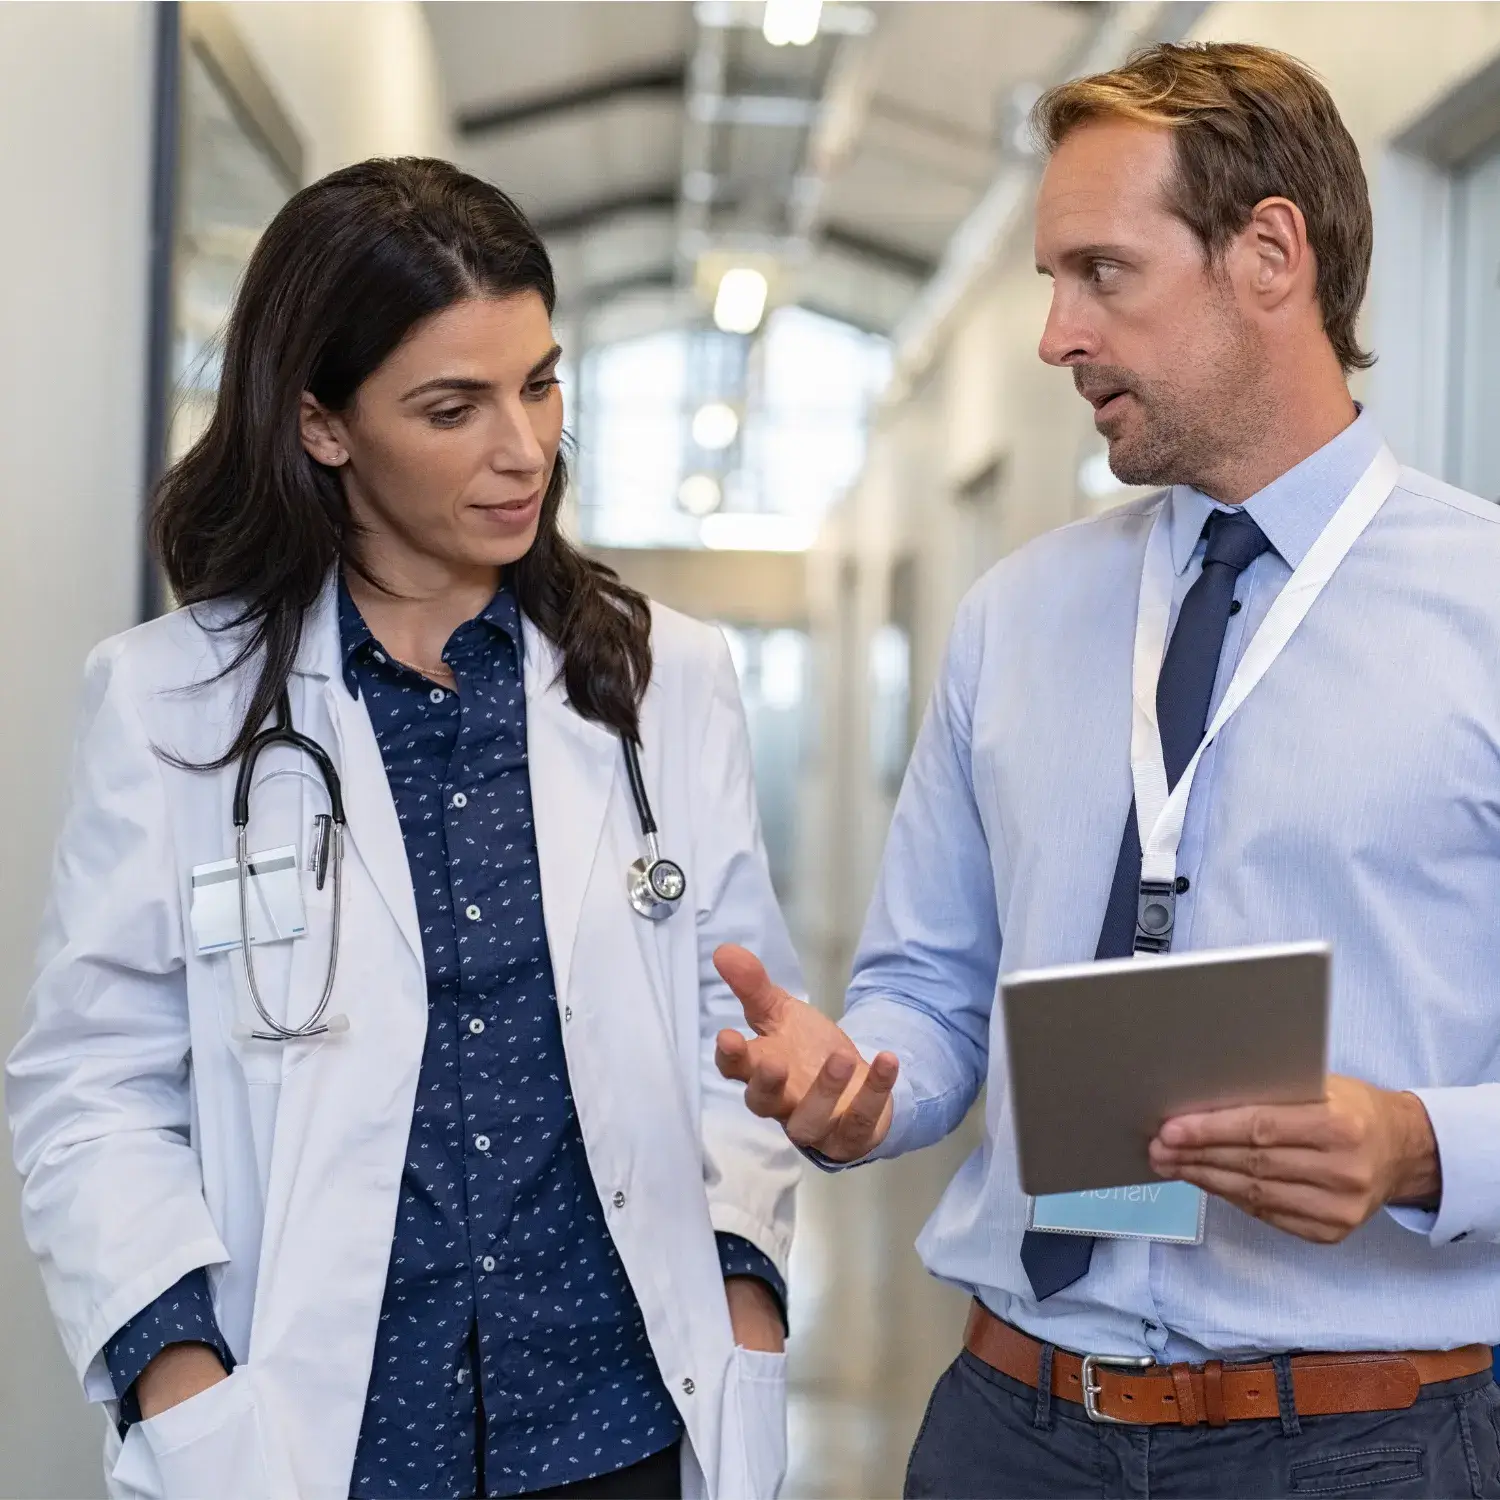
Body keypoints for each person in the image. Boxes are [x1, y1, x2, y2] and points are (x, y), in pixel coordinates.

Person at [711, 41, 1500, 1499]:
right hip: (1014, 1423)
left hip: (1368, 1443)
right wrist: (862, 1080)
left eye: (1102, 273)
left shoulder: (1486, 610)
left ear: (1270, 253)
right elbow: (931, 986)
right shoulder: (1019, 615)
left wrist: (1416, 1143)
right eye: (1047, 280)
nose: (1055, 335)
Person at [7, 158, 799, 1500]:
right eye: (454, 407)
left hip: (622, 1426)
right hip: (316, 1445)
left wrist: (747, 1298)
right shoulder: (168, 702)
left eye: (541, 383)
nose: (524, 446)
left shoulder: (670, 679)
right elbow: (92, 1090)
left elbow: (741, 1033)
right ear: (323, 425)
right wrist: (176, 1374)